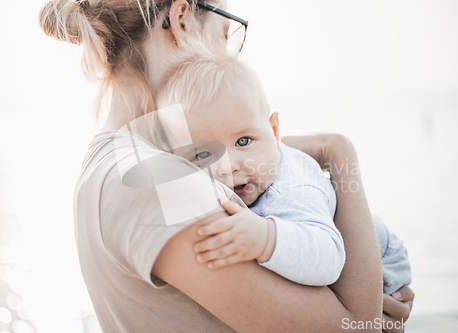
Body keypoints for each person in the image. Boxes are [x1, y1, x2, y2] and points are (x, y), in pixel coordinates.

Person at [39, 0, 414, 332]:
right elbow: (358, 330)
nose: (228, 51)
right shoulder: (152, 176)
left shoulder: (132, 157)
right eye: (227, 30)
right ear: (182, 19)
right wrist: (338, 153)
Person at [155, 53, 411, 292]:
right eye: (204, 155)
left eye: (243, 141)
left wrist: (265, 238)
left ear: (274, 132)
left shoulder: (292, 190)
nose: (228, 166)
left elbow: (329, 258)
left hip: (383, 260)